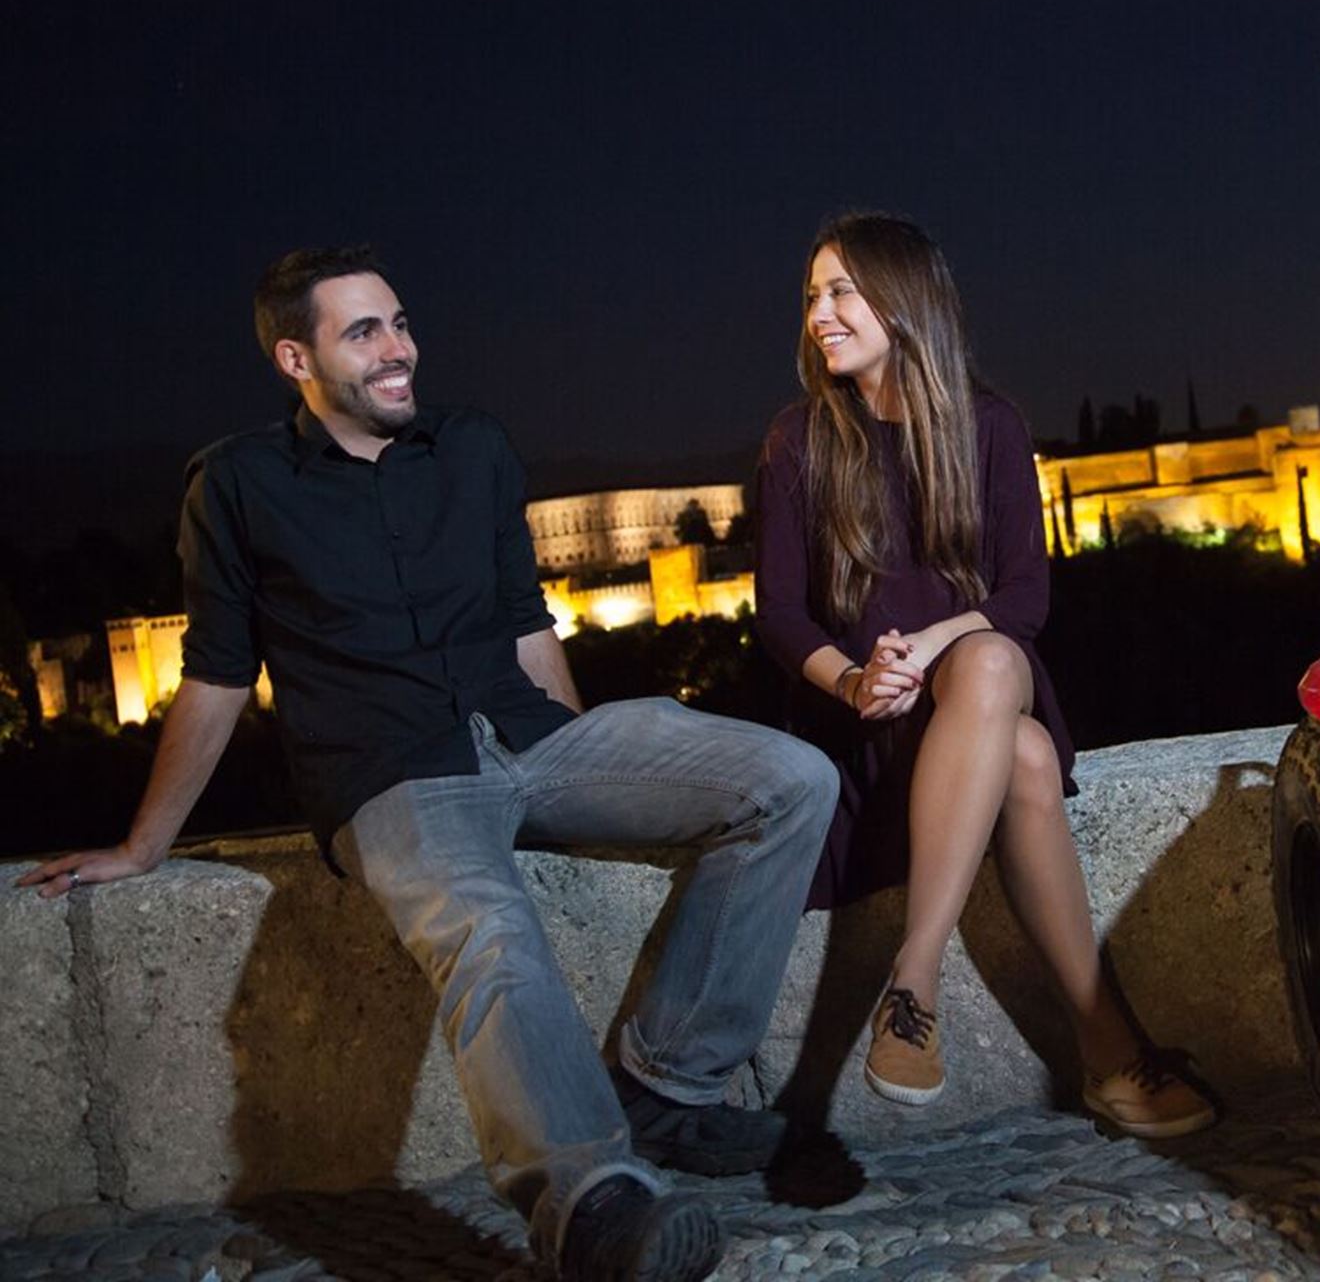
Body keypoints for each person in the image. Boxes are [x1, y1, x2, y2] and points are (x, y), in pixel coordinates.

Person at [16, 246, 840, 1282]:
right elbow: (217, 677)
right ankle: (590, 1204)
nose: (400, 348)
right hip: (391, 773)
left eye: (401, 323)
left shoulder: (475, 450)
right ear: (294, 357)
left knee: (792, 779)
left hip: (526, 734)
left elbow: (521, 620)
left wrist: (598, 768)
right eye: (364, 332)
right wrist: (144, 846)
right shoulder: (237, 484)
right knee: (489, 926)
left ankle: (670, 1086)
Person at [754, 213, 1215, 1138]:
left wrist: (933, 645)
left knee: (996, 662)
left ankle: (911, 982)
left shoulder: (990, 427)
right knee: (1030, 758)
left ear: (904, 298)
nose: (820, 313)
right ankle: (1107, 1050)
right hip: (867, 739)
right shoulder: (801, 439)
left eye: (841, 290)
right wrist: (855, 680)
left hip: (971, 697)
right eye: (813, 295)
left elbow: (1024, 598)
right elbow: (781, 617)